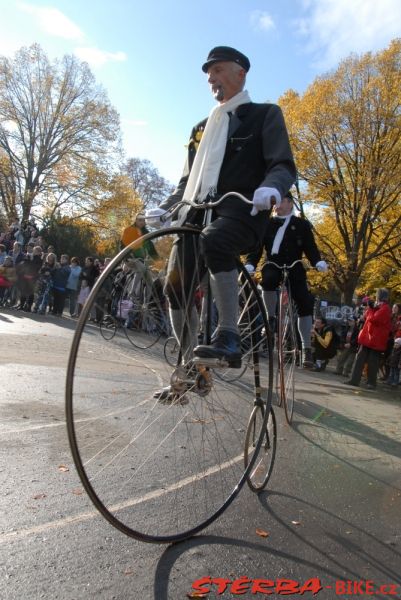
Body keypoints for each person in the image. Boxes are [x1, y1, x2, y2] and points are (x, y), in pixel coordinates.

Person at [154, 46, 296, 401]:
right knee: (174, 286)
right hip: (195, 213)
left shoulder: (264, 115)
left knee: (215, 239)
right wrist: (166, 207)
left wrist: (271, 187)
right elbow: (186, 181)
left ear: (240, 73)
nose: (211, 79)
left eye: (217, 70)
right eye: (208, 75)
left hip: (240, 212)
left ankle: (229, 335)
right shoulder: (201, 128)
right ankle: (189, 369)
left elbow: (282, 165)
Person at [245, 191, 327, 368]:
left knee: (304, 300)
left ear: (290, 203)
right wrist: (251, 263)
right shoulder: (267, 223)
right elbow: (257, 247)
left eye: (280, 201)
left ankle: (306, 348)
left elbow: (310, 247)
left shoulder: (302, 225)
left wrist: (317, 261)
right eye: (274, 201)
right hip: (273, 263)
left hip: (294, 265)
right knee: (268, 279)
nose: (276, 204)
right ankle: (271, 318)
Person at [344, 288, 392, 390]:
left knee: (373, 362)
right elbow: (366, 316)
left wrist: (370, 309)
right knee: (359, 359)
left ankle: (371, 383)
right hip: (368, 337)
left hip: (375, 339)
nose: (376, 297)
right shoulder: (379, 306)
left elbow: (374, 319)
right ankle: (354, 380)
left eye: (377, 294)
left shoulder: (386, 308)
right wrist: (371, 308)